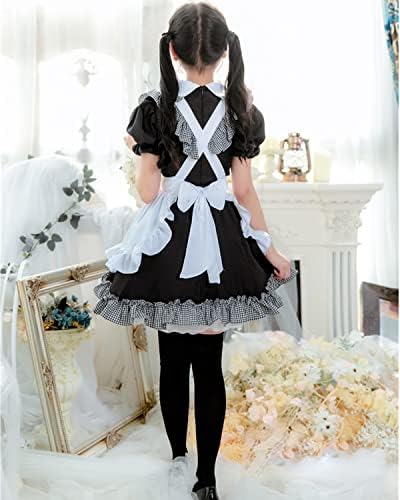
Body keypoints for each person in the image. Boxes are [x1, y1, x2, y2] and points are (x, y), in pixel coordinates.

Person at [93, 2, 297, 499]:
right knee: (209, 367)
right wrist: (269, 250)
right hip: (221, 242)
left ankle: (178, 459)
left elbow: (148, 193)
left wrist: (143, 154)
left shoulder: (153, 108)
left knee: (172, 362)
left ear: (172, 51)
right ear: (224, 53)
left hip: (170, 240)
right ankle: (207, 480)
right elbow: (243, 190)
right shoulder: (241, 108)